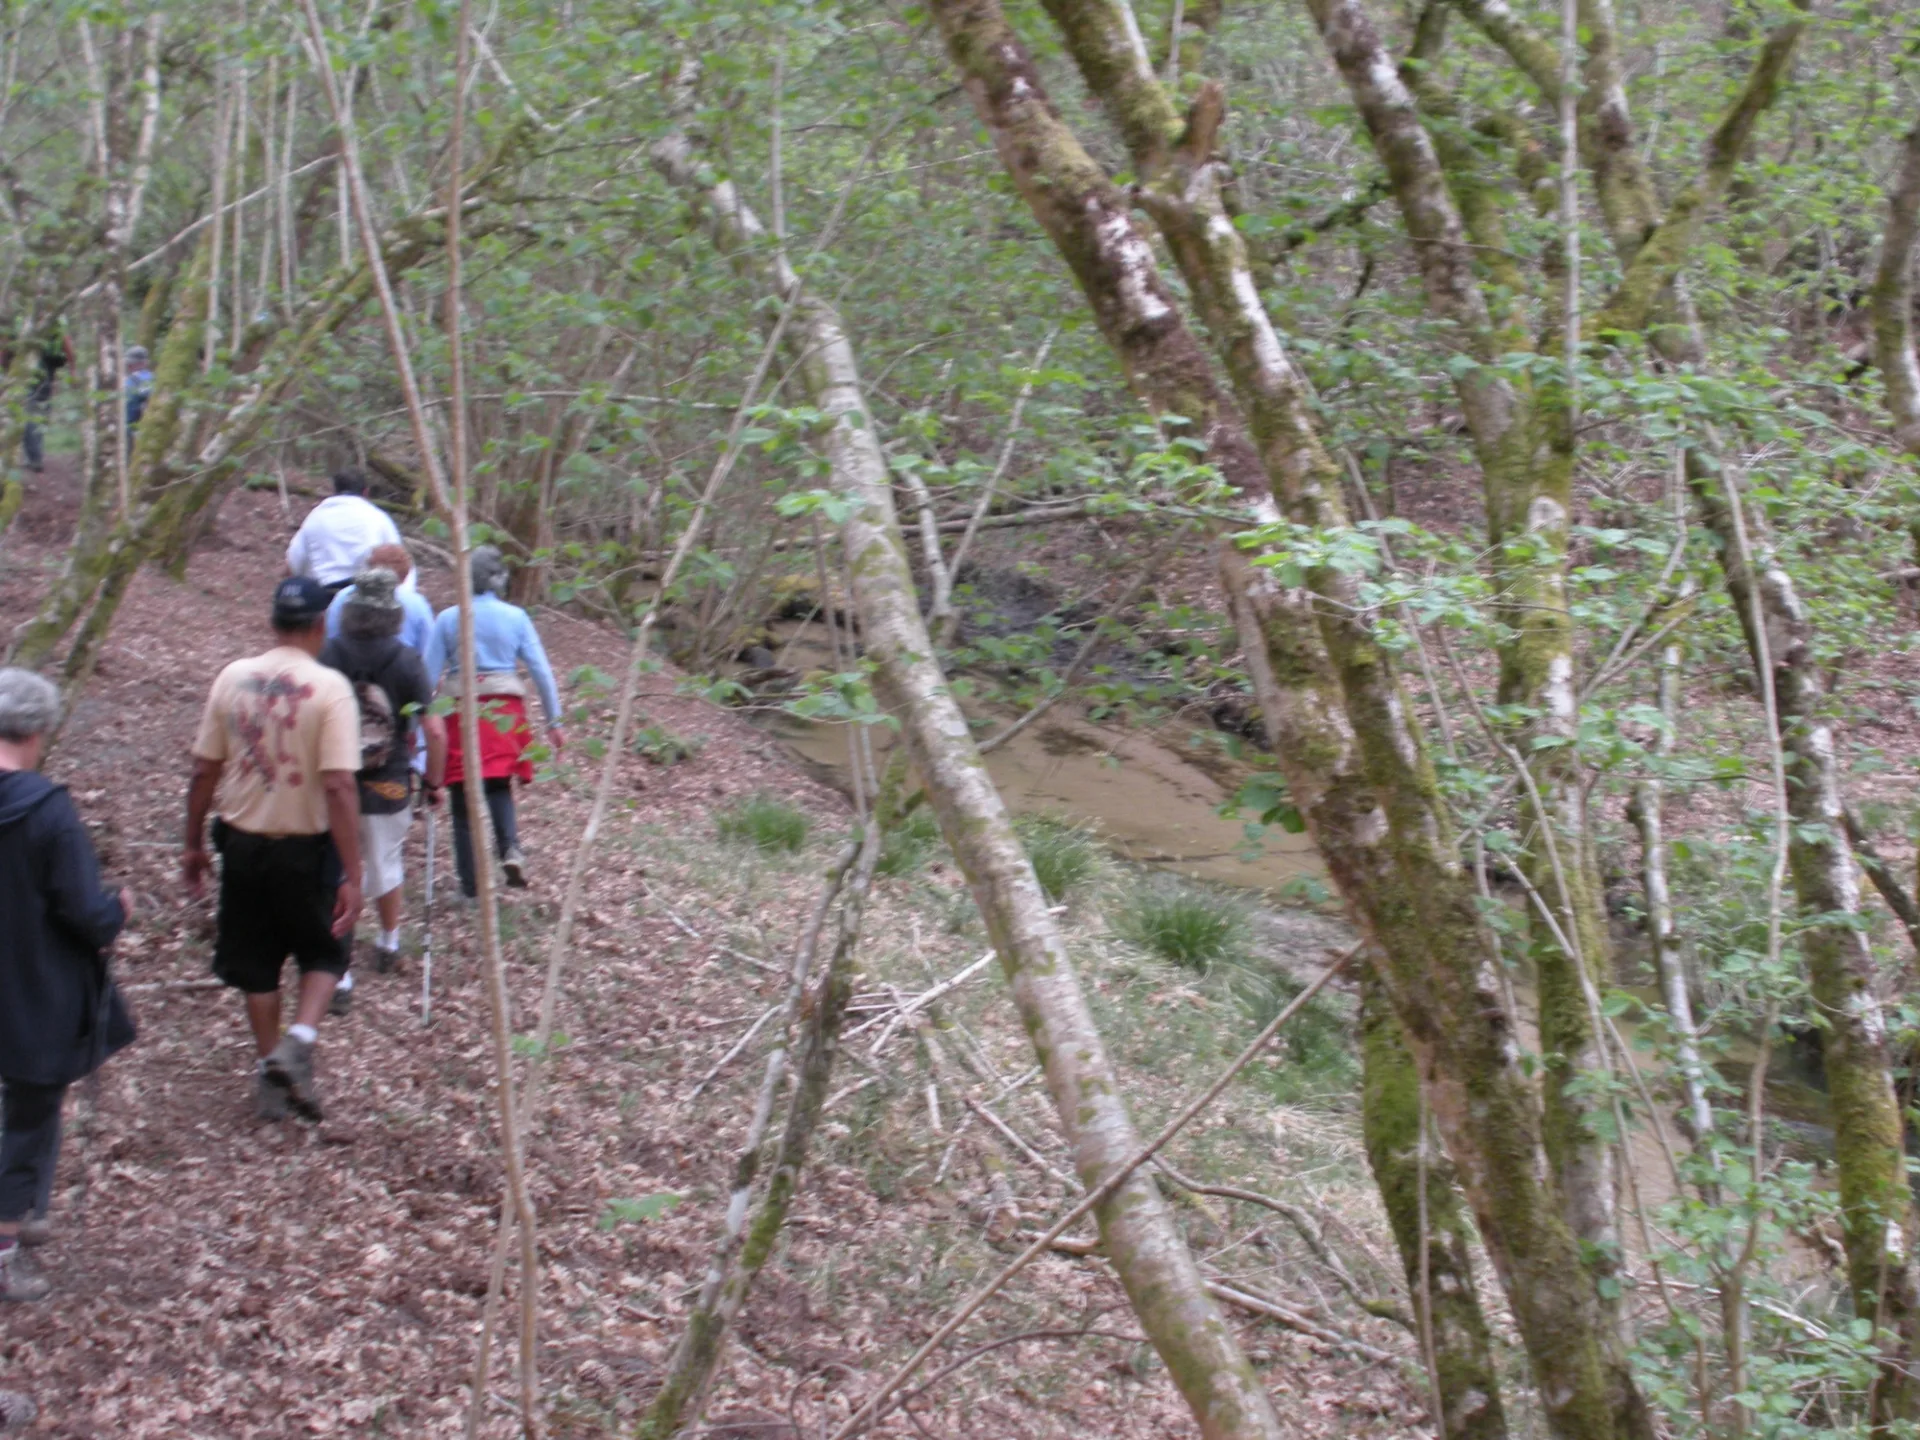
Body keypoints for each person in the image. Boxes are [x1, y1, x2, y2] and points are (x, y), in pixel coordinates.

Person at [183, 577, 363, 1122]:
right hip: (305, 848)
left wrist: (191, 844)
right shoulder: (330, 689)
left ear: (272, 622)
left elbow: (203, 769)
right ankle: (298, 1042)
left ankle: (270, 1070)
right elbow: (338, 786)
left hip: (240, 844)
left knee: (256, 963)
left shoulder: (232, 678)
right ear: (320, 625)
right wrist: (353, 873)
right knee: (326, 950)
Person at [0, 669, 134, 1304]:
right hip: (35, 989)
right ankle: (6, 1251)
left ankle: (28, 1214)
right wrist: (119, 910)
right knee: (28, 1116)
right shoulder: (48, 811)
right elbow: (87, 911)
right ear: (38, 729)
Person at [319, 567, 447, 992]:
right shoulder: (408, 662)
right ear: (394, 613)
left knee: (338, 870)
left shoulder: (328, 654)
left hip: (334, 780)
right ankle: (389, 942)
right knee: (385, 863)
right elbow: (434, 730)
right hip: (389, 782)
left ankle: (341, 975)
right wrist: (434, 783)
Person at [432, 546, 564, 896]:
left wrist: (419, 724)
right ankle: (509, 848)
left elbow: (427, 673)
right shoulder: (516, 618)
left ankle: (470, 886)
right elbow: (541, 671)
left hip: (461, 710)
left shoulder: (447, 619)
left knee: (462, 795)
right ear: (498, 578)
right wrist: (555, 720)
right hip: (505, 710)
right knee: (498, 783)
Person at [325, 542, 444, 679]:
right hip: (400, 676)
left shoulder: (344, 597)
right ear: (404, 575)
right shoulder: (416, 604)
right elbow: (427, 652)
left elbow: (330, 638)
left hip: (348, 674)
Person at [284, 468, 402, 594]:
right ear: (366, 492)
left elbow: (294, 562)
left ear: (335, 490)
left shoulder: (315, 517)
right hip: (368, 594)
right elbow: (399, 561)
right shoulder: (378, 517)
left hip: (325, 595)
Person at [124, 344, 154, 441]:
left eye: (132, 364)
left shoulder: (144, 379)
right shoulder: (131, 379)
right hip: (131, 428)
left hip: (136, 430)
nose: (130, 366)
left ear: (143, 363)